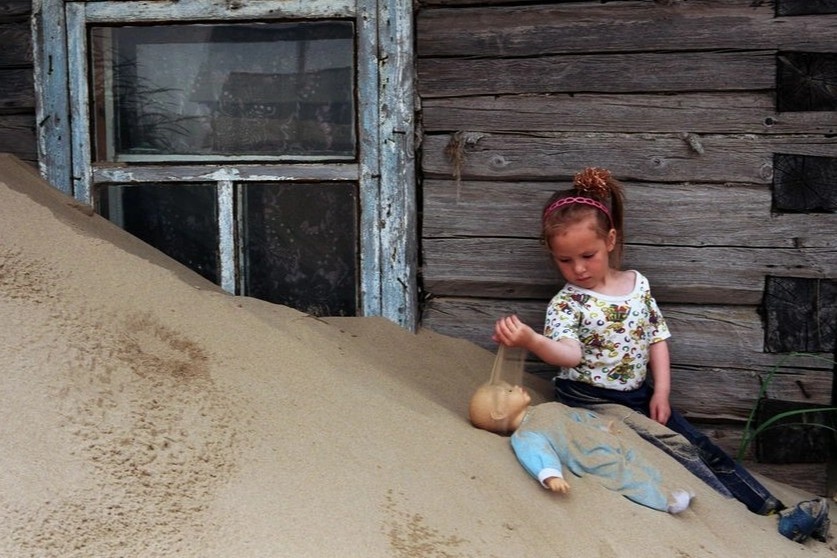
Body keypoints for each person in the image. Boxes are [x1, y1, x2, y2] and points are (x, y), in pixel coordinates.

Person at [491, 167, 830, 543]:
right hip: (591, 400)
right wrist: (531, 340)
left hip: (639, 392)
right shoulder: (567, 305)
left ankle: (769, 508)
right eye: (565, 260)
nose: (579, 268)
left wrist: (662, 391)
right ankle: (738, 522)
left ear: (611, 240)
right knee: (674, 448)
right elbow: (568, 356)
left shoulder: (637, 284)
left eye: (588, 255)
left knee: (701, 444)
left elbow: (657, 337)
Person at [468, 382, 693, 514]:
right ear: (499, 413)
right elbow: (537, 454)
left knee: (639, 462)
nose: (515, 386)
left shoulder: (548, 408)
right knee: (625, 476)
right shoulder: (525, 435)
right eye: (508, 392)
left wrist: (599, 424)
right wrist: (550, 475)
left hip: (603, 439)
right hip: (590, 458)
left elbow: (576, 415)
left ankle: (668, 487)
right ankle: (666, 501)